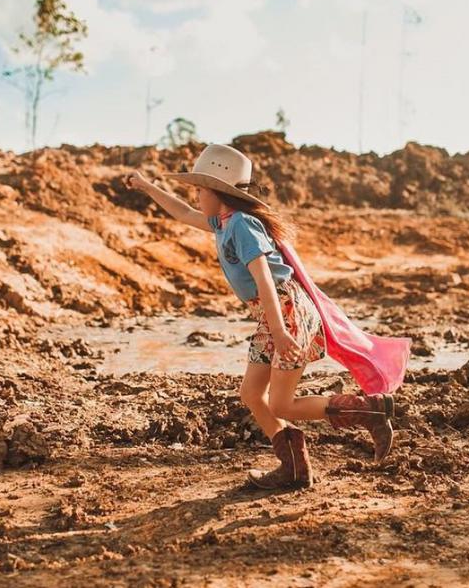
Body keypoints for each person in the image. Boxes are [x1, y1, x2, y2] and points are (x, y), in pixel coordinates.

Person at [124, 143, 395, 490]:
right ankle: (294, 466)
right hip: (273, 313)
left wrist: (280, 330)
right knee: (253, 395)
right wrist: (147, 186)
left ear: (218, 191)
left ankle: (369, 411)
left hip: (284, 310)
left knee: (283, 404)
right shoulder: (223, 222)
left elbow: (265, 277)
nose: (195, 196)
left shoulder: (241, 224)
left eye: (199, 189)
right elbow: (181, 213)